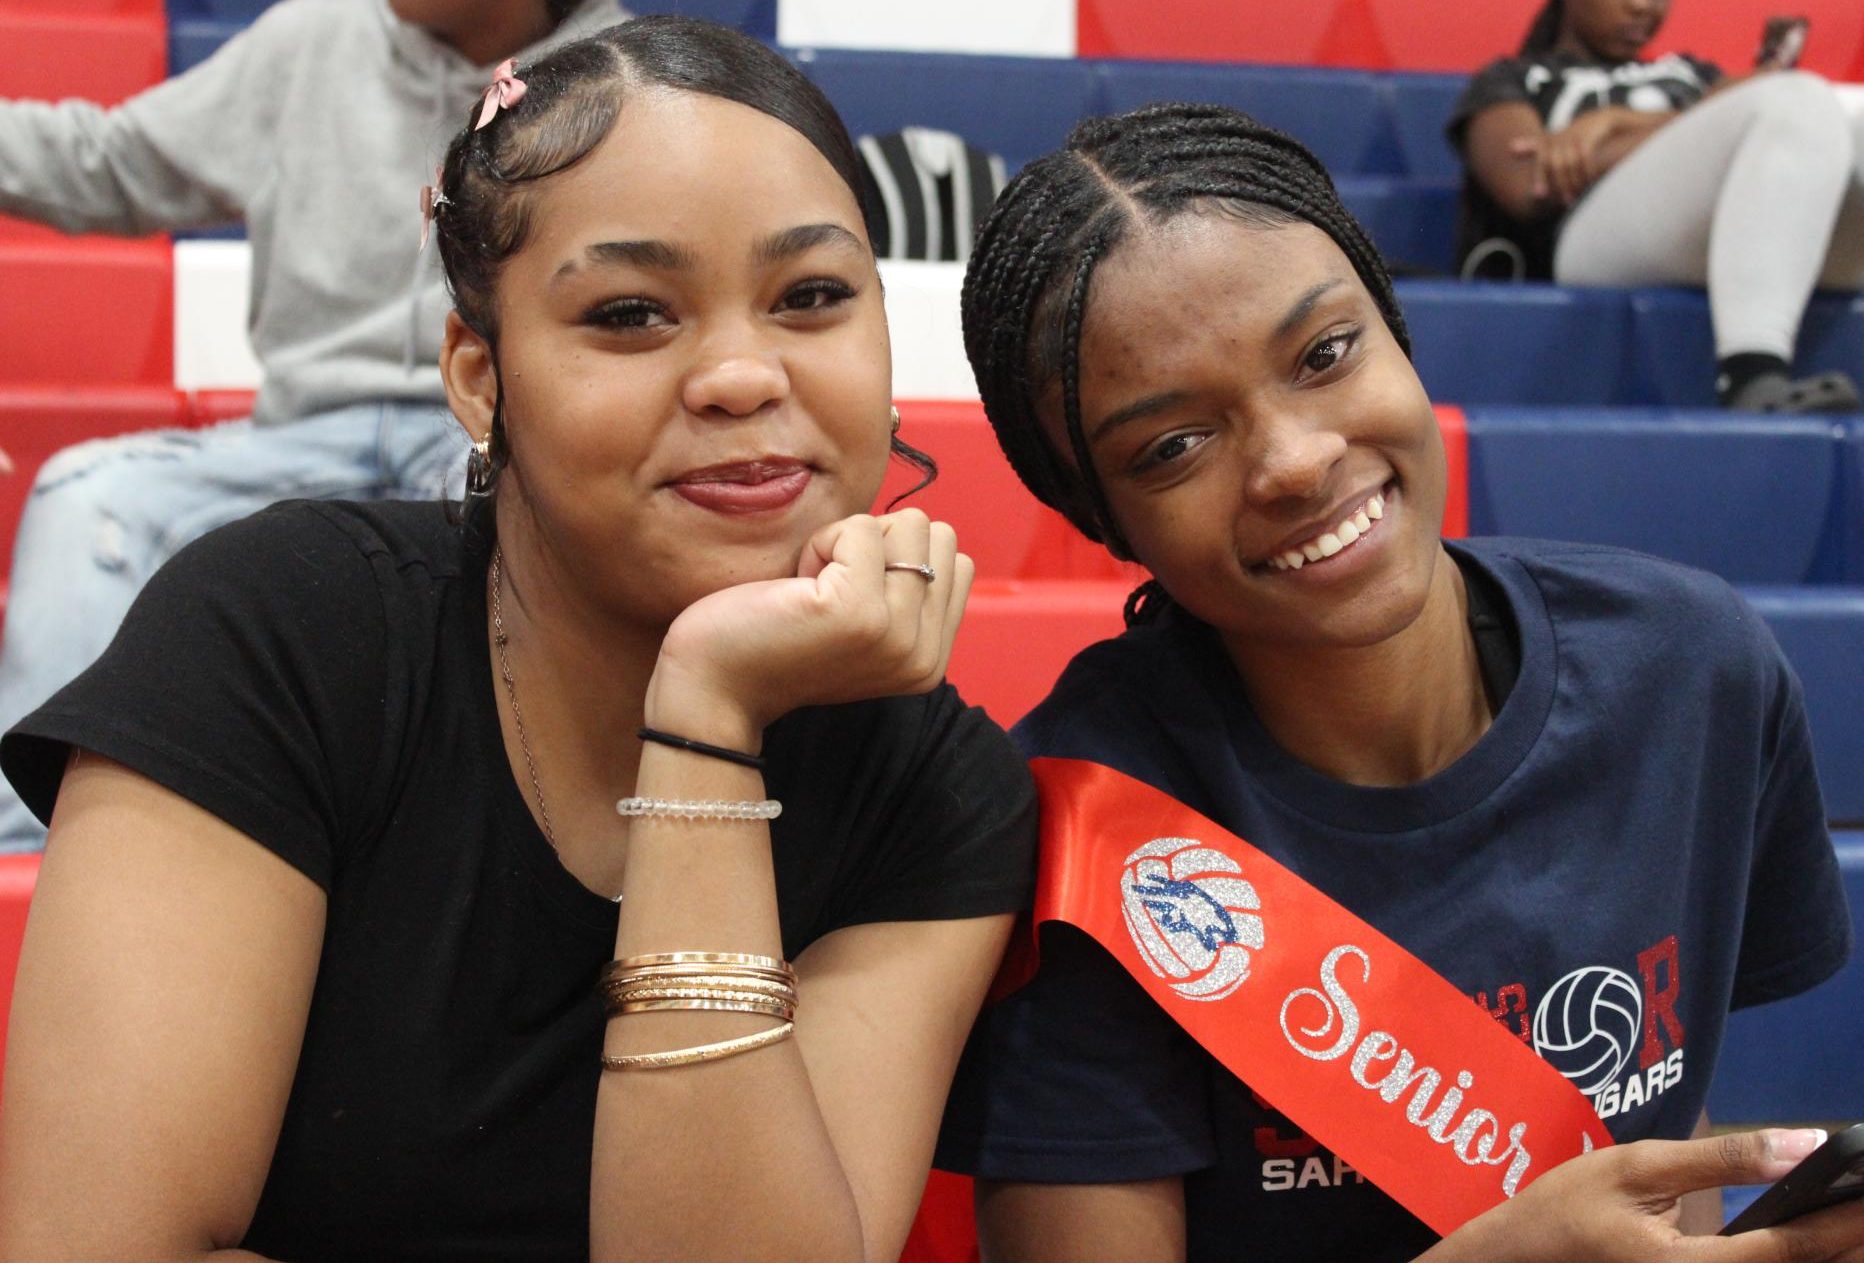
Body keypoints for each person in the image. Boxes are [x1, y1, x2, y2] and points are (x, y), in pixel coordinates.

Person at [0, 17, 1037, 1261]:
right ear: (479, 378)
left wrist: (705, 714)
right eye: (632, 315)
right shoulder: (283, 631)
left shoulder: (938, 787)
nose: (741, 376)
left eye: (812, 297)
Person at [933, 102, 1859, 1262]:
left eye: (1325, 355)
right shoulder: (1074, 840)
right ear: (1096, 518)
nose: (1296, 460)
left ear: (1396, 327)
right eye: (1172, 446)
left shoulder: (1691, 668)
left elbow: (1663, 1134)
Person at [0, 0, 626, 854]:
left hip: (496, 431)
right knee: (89, 499)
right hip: (302, 435)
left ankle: (511, 861)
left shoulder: (627, 76)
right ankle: (31, 862)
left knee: (555, 522)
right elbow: (108, 166)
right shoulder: (311, 36)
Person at [1448, 0, 1864, 413]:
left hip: (1736, 231)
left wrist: (1614, 123)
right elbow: (1529, 184)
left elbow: (1768, 104)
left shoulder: (1689, 73)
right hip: (1587, 240)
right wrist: (1676, 123)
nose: (1643, 7)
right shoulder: (1517, 78)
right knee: (1799, 101)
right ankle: (1751, 376)